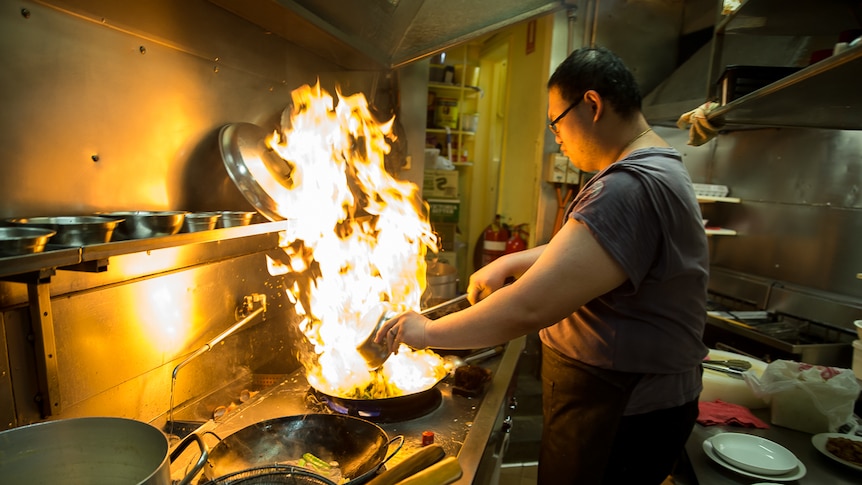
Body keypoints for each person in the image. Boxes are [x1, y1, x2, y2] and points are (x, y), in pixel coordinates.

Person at [377, 46, 709, 484]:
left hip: (619, 409)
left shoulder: (627, 187)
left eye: (556, 121)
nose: (556, 136)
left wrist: (426, 332)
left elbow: (529, 308)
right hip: (623, 401)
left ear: (591, 105)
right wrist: (513, 260)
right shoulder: (656, 168)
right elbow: (601, 249)